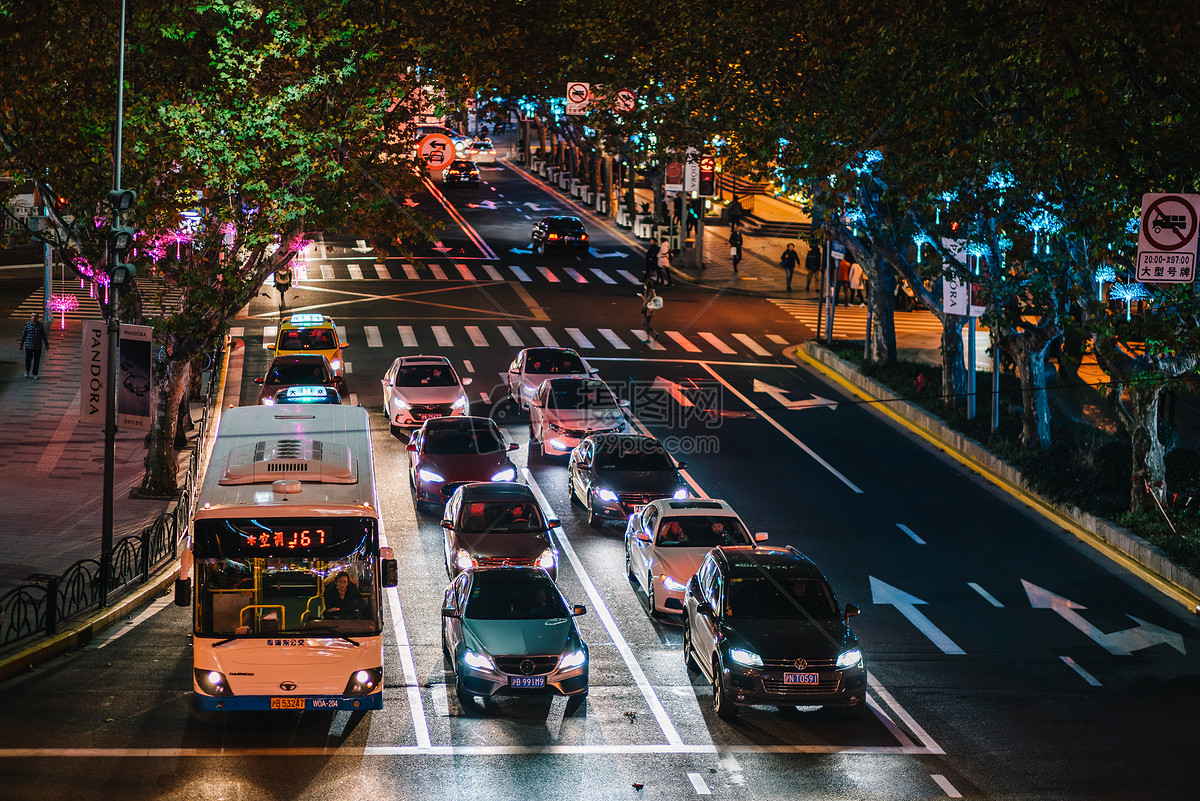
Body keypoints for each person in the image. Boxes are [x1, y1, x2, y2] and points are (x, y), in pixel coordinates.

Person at [18, 311, 50, 379]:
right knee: (28, 360)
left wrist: (46, 344)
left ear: (38, 318)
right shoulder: (27, 324)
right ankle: (27, 371)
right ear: (31, 317)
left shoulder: (40, 325)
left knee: (36, 361)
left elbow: (43, 335)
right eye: (33, 316)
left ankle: (35, 373)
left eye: (35, 316)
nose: (34, 317)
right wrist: (21, 344)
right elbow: (23, 335)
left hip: (37, 346)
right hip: (29, 346)